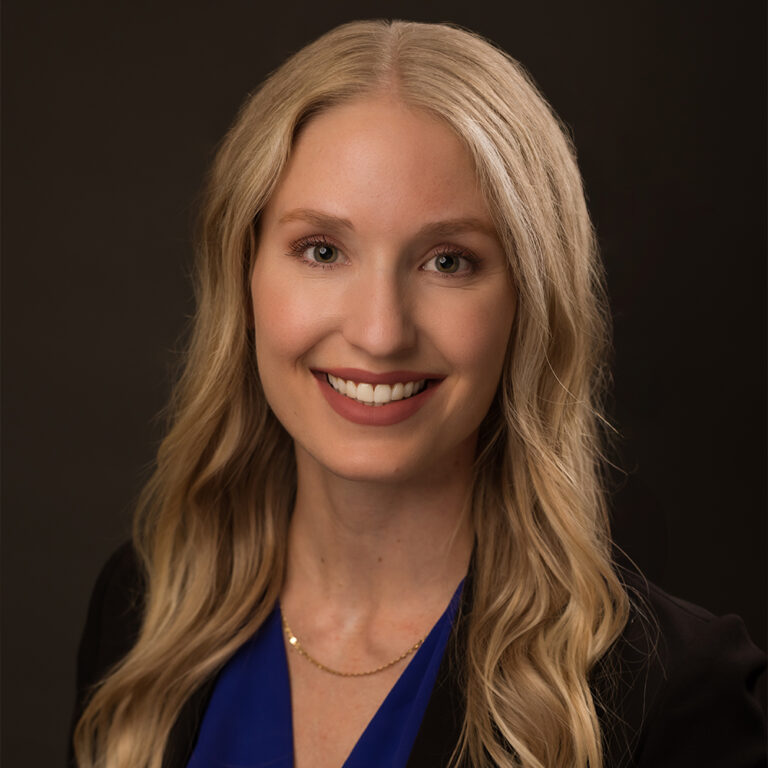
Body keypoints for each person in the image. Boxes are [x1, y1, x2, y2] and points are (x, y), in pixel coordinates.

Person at [70, 19, 766, 768]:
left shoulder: (670, 693)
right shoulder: (144, 613)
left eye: (448, 261)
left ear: (530, 303)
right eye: (323, 250)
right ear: (243, 277)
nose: (379, 332)